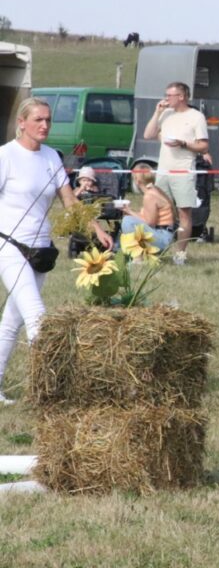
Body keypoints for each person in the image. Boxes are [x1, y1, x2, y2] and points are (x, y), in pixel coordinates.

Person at [0, 97, 113, 404]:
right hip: (8, 247)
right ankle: (55, 389)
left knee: (13, 319)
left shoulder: (51, 157)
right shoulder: (5, 156)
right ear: (21, 122)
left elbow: (71, 202)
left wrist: (98, 229)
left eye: (48, 120)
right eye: (38, 119)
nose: (45, 125)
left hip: (41, 251)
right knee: (36, 314)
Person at [142, 81, 209, 265]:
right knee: (157, 212)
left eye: (170, 95)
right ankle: (153, 251)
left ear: (181, 97)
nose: (166, 98)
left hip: (183, 172)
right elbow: (148, 134)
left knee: (184, 214)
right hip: (163, 171)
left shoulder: (196, 117)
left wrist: (184, 143)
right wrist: (157, 112)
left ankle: (180, 254)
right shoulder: (166, 114)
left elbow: (204, 145)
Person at [117, 165, 176, 252]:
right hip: (163, 234)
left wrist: (129, 211)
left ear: (138, 181)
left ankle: (137, 253)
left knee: (127, 221)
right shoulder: (154, 190)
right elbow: (145, 218)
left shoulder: (149, 196)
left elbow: (150, 222)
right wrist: (129, 211)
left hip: (162, 238)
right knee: (129, 219)